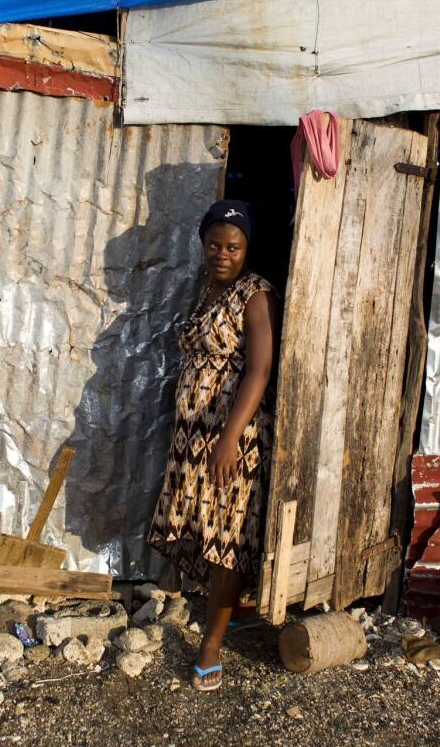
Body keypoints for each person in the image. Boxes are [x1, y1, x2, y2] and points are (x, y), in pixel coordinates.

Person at [147, 199, 278, 692]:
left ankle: (211, 645)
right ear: (204, 246)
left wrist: (228, 439)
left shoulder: (255, 294)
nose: (223, 253)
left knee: (227, 537)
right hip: (192, 435)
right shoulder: (206, 292)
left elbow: (260, 370)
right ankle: (232, 610)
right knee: (202, 525)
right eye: (215, 245)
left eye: (234, 246)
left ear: (247, 250)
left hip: (231, 437)